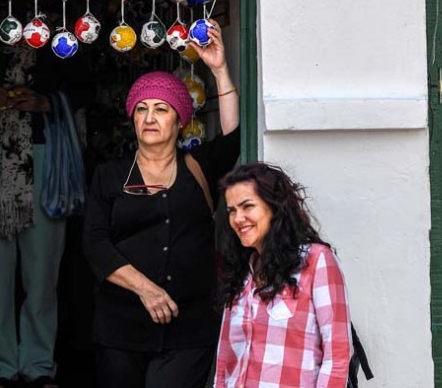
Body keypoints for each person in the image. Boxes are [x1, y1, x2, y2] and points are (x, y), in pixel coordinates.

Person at [82, 20, 240, 388]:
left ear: (181, 120)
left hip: (189, 328)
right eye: (142, 109)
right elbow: (95, 244)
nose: (150, 118)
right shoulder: (109, 175)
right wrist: (146, 289)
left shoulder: (199, 166)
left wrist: (218, 70)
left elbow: (234, 137)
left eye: (161, 109)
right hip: (121, 329)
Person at [0, 43, 86, 388]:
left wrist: (44, 102)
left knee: (42, 269)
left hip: (44, 157)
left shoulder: (60, 38)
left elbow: (82, 90)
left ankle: (38, 362)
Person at [214, 163, 352, 388]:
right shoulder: (241, 272)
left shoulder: (316, 261)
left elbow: (337, 356)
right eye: (231, 211)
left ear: (274, 206)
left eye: (247, 206)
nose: (238, 218)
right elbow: (224, 364)